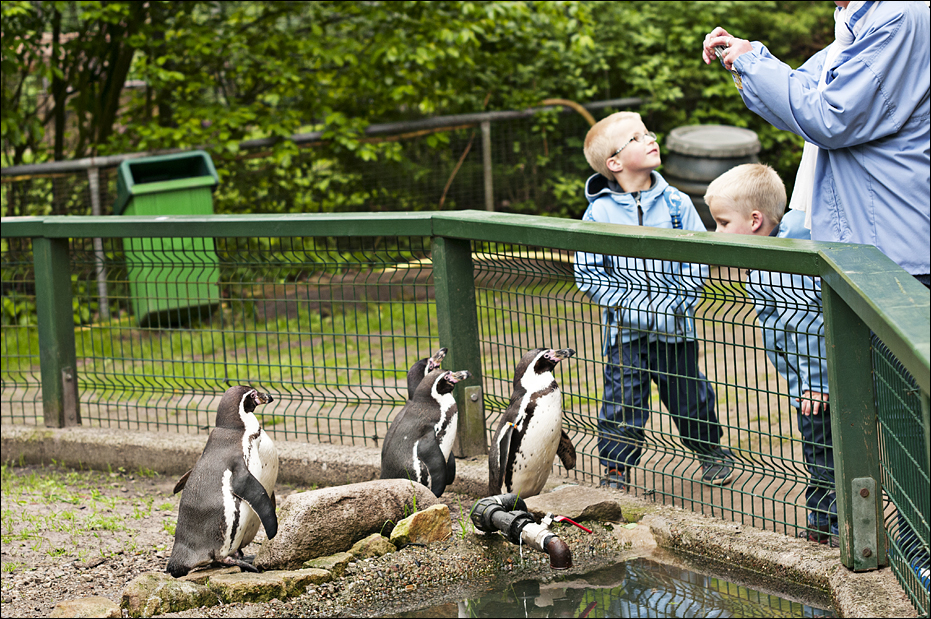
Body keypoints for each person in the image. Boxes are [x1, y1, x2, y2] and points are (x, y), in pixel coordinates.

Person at [701, 1, 930, 286]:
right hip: (861, 249)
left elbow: (832, 118)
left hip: (894, 251)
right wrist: (741, 58)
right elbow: (799, 95)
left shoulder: (898, 16)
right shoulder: (851, 26)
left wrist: (752, 63)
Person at [573, 111, 734, 491]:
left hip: (674, 330)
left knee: (689, 397)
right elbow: (590, 273)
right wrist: (632, 306)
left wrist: (675, 301)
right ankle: (615, 470)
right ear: (614, 163)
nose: (650, 139)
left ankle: (710, 451)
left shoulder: (676, 204)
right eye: (637, 137)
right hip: (625, 334)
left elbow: (696, 260)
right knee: (622, 404)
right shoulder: (599, 214)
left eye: (649, 132)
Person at [704, 163, 838, 546]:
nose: (717, 232)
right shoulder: (766, 256)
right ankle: (823, 522)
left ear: (756, 219)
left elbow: (806, 323)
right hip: (806, 382)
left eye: (723, 222)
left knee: (823, 452)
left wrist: (813, 383)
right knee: (819, 452)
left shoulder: (786, 259)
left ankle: (828, 526)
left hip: (820, 388)